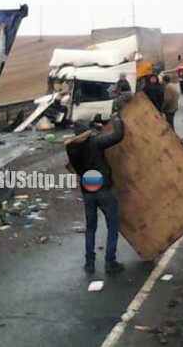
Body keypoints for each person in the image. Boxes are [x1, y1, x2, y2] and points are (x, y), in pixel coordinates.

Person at [65, 114, 125, 274]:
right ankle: (110, 262)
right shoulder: (95, 143)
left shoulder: (71, 148)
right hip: (104, 188)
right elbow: (117, 136)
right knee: (112, 225)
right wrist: (118, 120)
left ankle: (89, 262)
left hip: (88, 191)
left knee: (91, 227)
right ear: (87, 131)